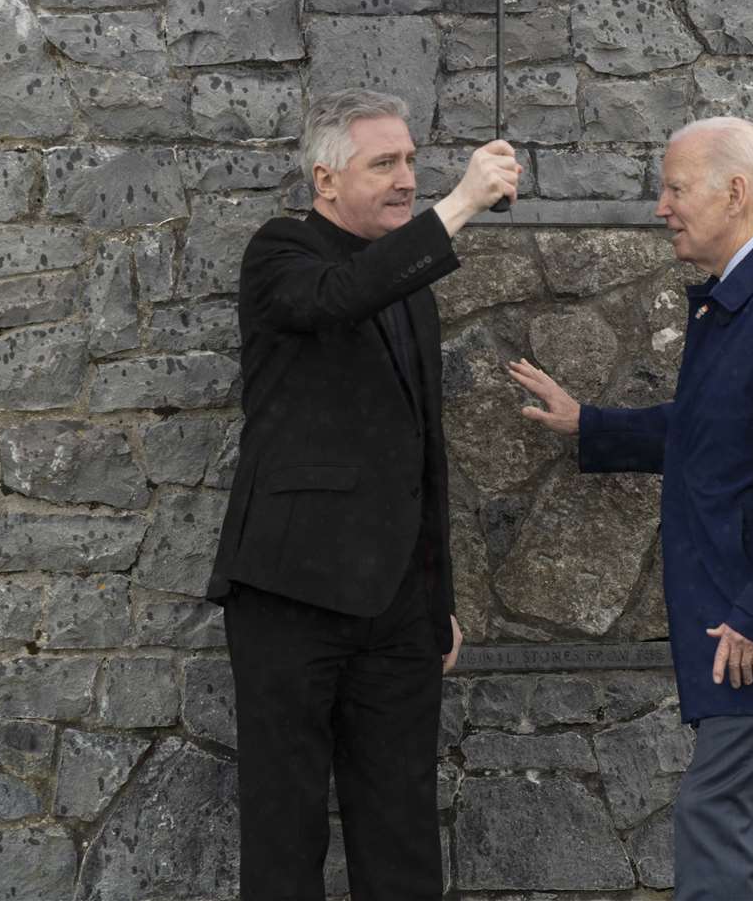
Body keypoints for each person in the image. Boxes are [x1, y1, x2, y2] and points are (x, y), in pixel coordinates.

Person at [509, 116, 753, 901]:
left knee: (714, 820)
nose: (662, 206)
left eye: (675, 188)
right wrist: (590, 424)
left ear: (735, 190)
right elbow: (712, 431)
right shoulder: (749, 298)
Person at [208, 87, 520, 900]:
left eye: (412, 162)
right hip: (289, 597)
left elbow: (424, 453)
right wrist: (460, 203)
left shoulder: (410, 286)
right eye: (385, 163)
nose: (406, 178)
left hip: (397, 613)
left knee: (403, 832)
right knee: (285, 831)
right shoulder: (280, 252)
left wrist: (437, 595)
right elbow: (335, 298)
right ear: (325, 181)